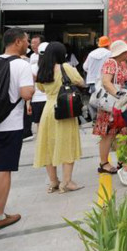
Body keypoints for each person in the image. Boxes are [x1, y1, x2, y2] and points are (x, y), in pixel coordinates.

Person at [0, 27, 35, 233]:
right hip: (9, 125)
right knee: (4, 169)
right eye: (26, 40)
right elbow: (26, 94)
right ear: (18, 42)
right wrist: (32, 86)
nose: (28, 44)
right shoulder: (21, 64)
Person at [34, 42, 87, 193]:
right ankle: (67, 182)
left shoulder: (42, 69)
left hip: (48, 110)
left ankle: (53, 181)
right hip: (64, 109)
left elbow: (41, 88)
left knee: (48, 145)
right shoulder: (65, 67)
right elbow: (80, 81)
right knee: (67, 143)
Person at [92, 40, 127, 175]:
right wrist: (118, 94)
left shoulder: (119, 64)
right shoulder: (111, 63)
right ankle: (104, 163)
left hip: (116, 105)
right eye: (126, 51)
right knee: (108, 135)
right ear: (121, 52)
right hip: (110, 105)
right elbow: (106, 82)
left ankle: (121, 161)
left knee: (120, 132)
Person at [27, 42, 49, 135]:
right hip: (50, 100)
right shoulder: (56, 67)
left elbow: (30, 86)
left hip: (36, 100)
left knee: (40, 129)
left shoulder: (32, 67)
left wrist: (28, 103)